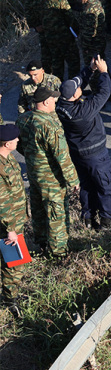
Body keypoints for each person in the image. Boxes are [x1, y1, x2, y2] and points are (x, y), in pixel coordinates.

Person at [16, 87, 79, 258]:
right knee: (56, 213)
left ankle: (41, 241)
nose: (55, 102)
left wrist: (34, 157)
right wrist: (73, 180)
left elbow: (20, 146)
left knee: (38, 210)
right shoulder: (49, 125)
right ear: (45, 102)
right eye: (53, 100)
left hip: (34, 175)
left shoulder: (22, 120)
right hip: (51, 179)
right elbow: (62, 156)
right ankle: (58, 252)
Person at [56, 56, 111, 231]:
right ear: (75, 95)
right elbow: (103, 93)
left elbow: (78, 81)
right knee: (106, 185)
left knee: (86, 186)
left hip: (77, 154)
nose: (80, 87)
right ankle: (106, 222)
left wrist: (90, 69)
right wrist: (104, 72)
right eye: (78, 89)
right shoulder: (83, 112)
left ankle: (88, 218)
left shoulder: (61, 105)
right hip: (95, 155)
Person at [0, 124, 28, 315]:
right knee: (15, 261)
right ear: (7, 143)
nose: (18, 141)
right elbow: (2, 201)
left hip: (15, 219)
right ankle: (11, 299)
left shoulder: (8, 159)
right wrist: (10, 228)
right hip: (9, 224)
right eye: (16, 139)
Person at [34, 0, 78, 81]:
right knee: (73, 61)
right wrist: (76, 31)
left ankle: (58, 87)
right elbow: (69, 16)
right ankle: (74, 87)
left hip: (49, 36)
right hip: (64, 35)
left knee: (57, 62)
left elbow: (33, 15)